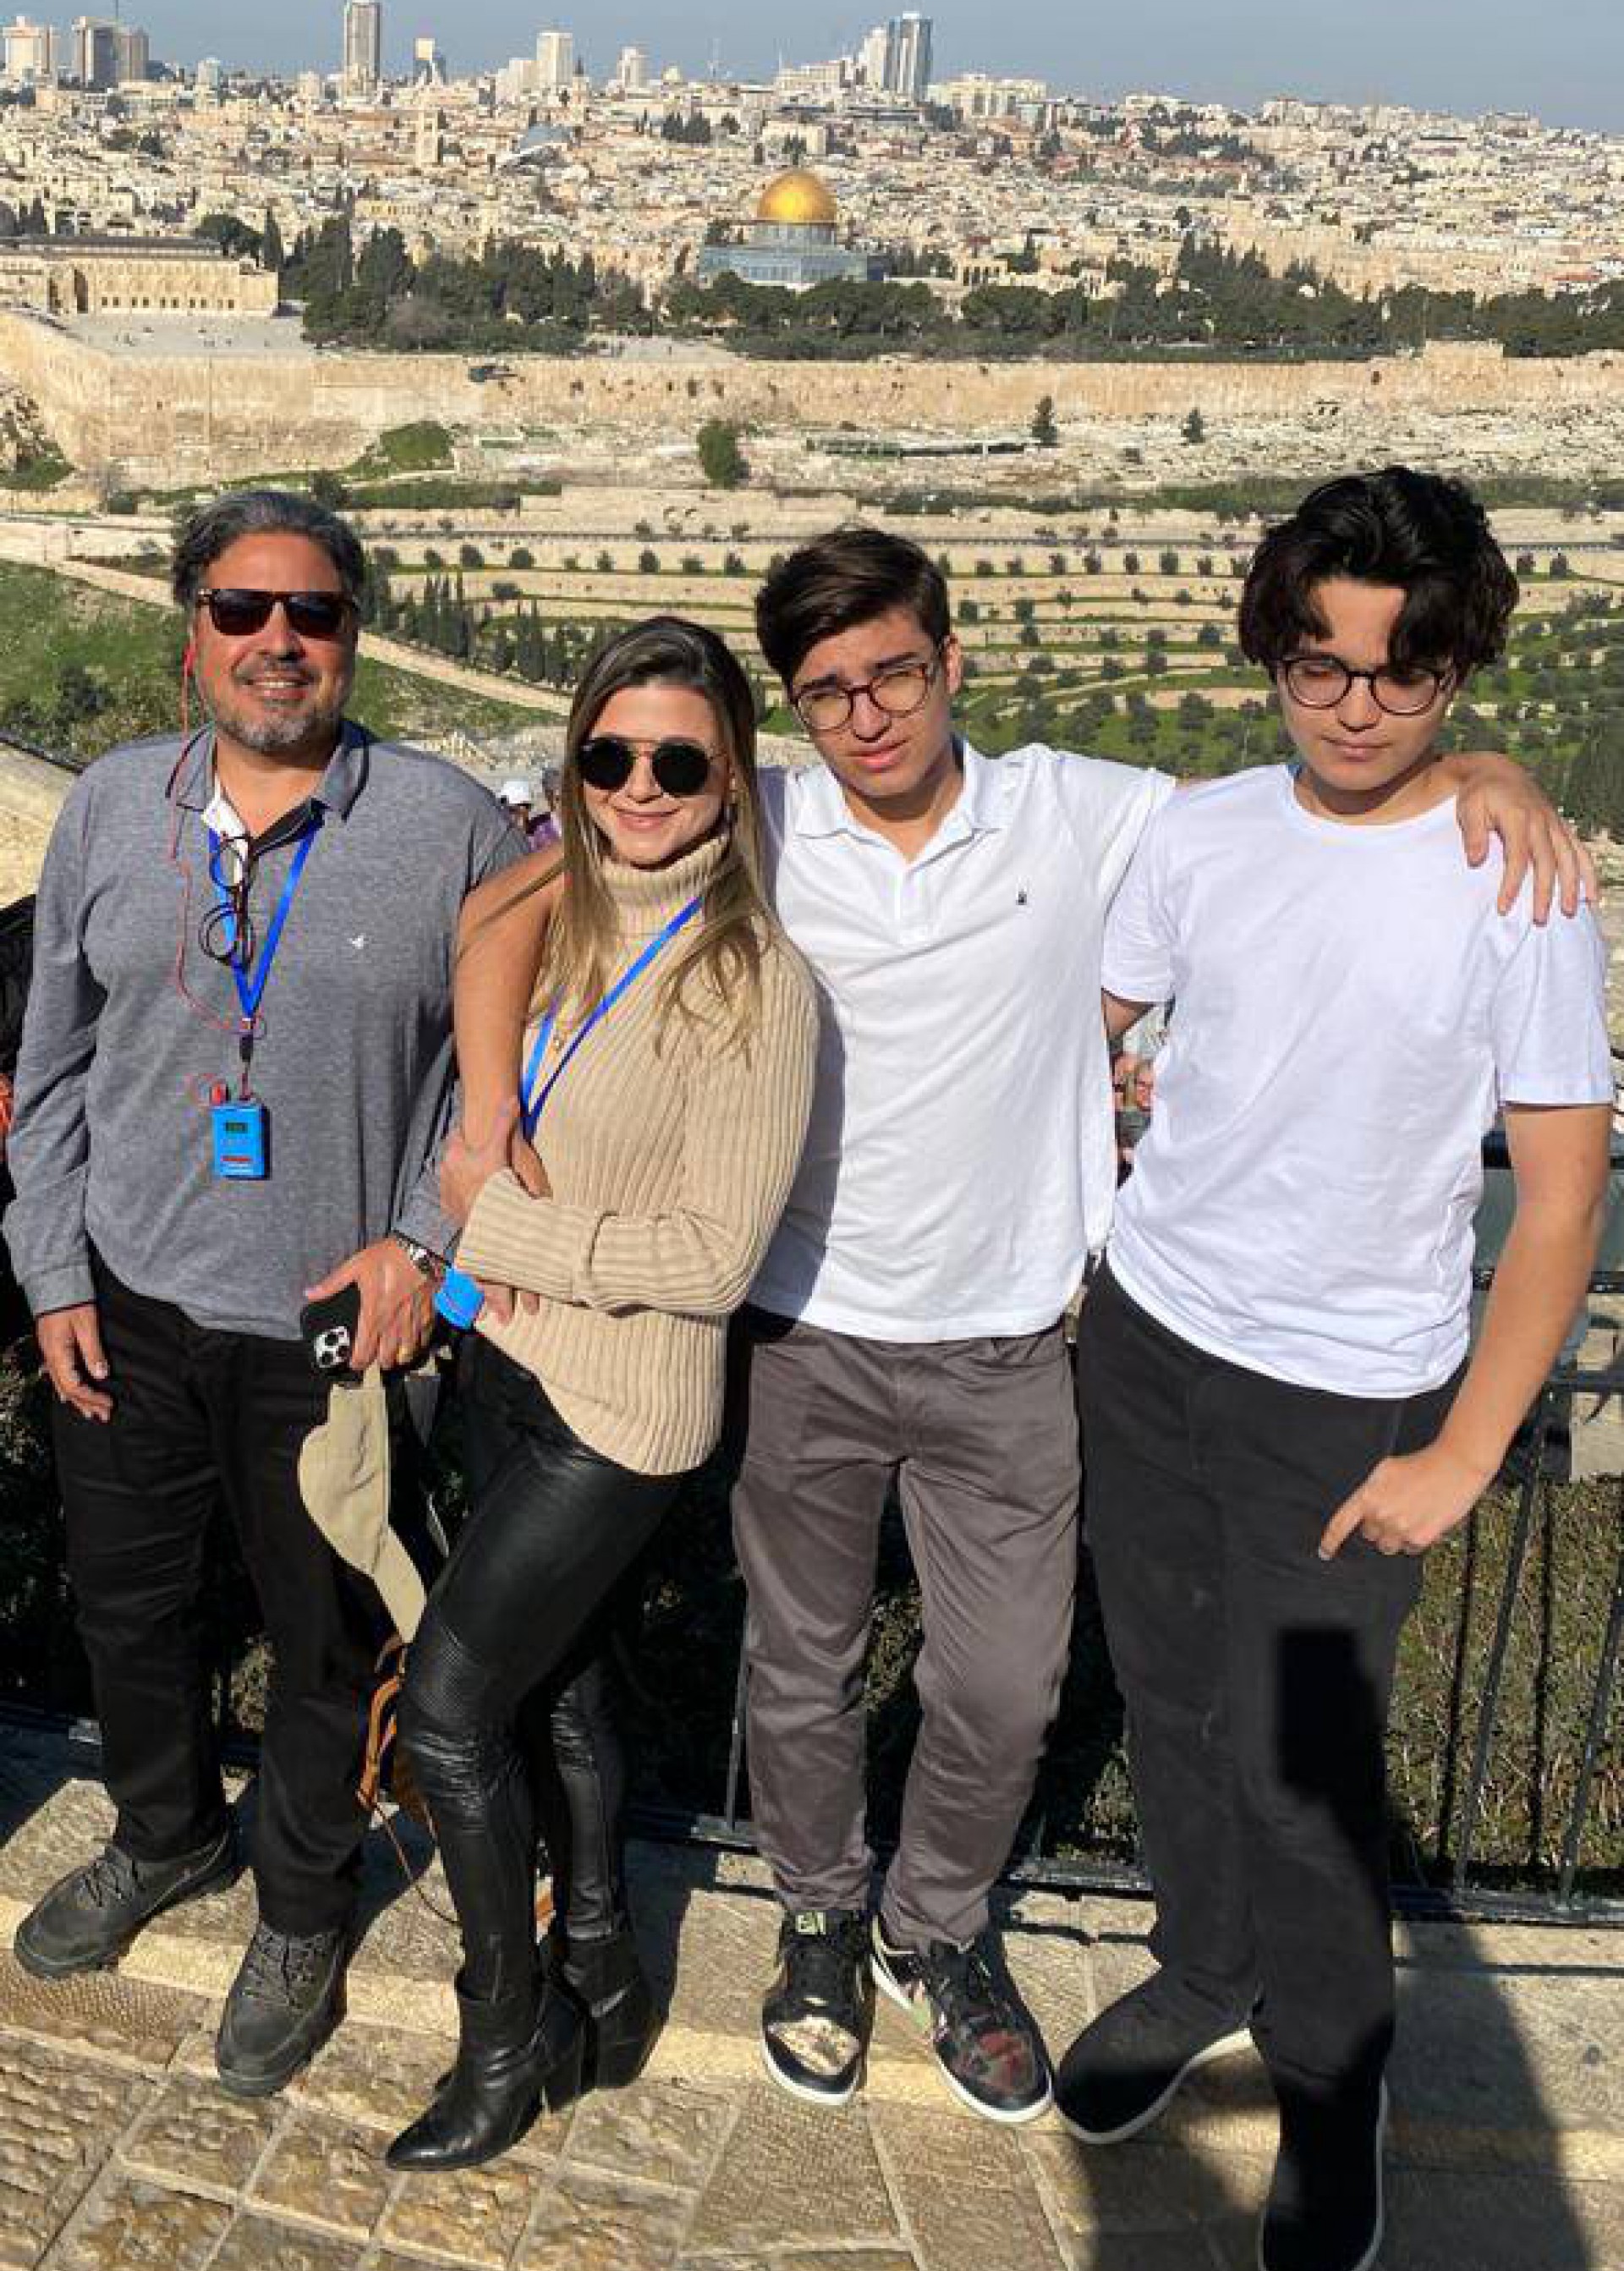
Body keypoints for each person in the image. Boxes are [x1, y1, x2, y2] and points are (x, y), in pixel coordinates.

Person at [453, 521, 1585, 2134]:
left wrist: (1482, 761)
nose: (869, 713)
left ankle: (938, 1927)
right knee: (803, 1670)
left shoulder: (1084, 808)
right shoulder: (751, 816)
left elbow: (1333, 796)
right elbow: (509, 909)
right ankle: (824, 1923)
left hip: (1010, 1344)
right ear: (796, 707)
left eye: (896, 671)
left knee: (1000, 1692)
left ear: (952, 662)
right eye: (829, 688)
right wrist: (487, 1115)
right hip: (800, 1333)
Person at [1056, 469, 1612, 2271]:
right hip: (1148, 1341)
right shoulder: (1200, 835)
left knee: (1306, 1773)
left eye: (1402, 670)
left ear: (1458, 673)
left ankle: (1330, 2080)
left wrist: (1463, 1451)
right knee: (1163, 1693)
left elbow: (1556, 1196)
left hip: (1349, 1398)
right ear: (1269, 657)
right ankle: (1205, 1966)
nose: (1357, 703)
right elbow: (1118, 1032)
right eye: (1319, 664)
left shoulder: (1516, 883)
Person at [5, 491, 522, 2096]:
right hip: (130, 1292)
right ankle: (165, 1833)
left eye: (312, 613)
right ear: (193, 634)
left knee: (321, 1637)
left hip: (330, 1321)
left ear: (351, 636)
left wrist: (425, 1250)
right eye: (242, 609)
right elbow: (58, 1057)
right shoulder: (104, 809)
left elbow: (509, 1078)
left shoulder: (451, 828)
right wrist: (48, 1266)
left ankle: (302, 1904)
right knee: (126, 1603)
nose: (277, 640)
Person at [387, 616, 817, 2173]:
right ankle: (612, 1975)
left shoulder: (756, 984)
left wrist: (490, 1214)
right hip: (512, 1367)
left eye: (680, 760)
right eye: (608, 754)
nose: (642, 785)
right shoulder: (569, 906)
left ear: (734, 778)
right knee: (558, 1694)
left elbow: (711, 1257)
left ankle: (508, 2038)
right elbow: (481, 920)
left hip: (620, 1411)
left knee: (447, 1712)